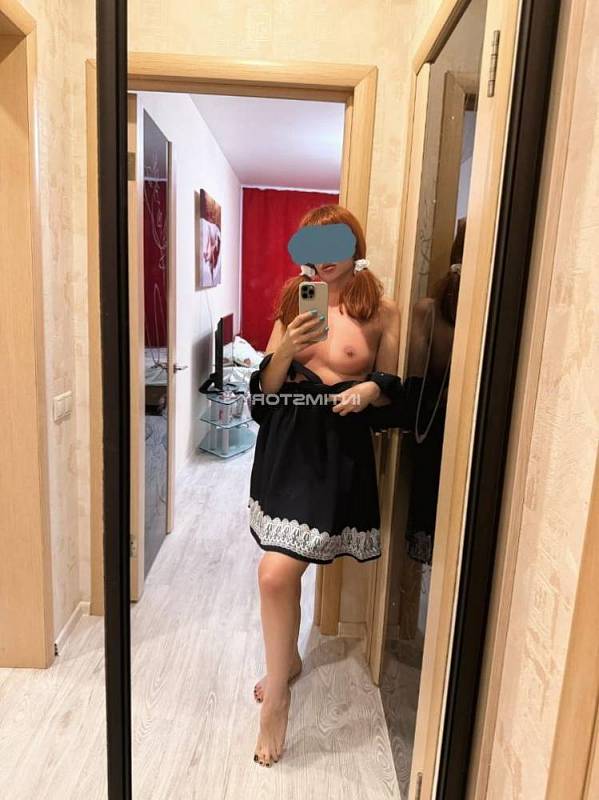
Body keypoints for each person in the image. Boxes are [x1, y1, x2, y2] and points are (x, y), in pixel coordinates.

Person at [246, 204, 405, 767]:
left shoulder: (381, 309)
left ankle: (284, 669)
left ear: (353, 244)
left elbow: (394, 388)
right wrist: (286, 349)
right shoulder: (296, 300)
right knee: (276, 572)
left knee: (284, 569)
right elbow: (265, 392)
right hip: (289, 446)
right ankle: (281, 685)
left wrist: (370, 391)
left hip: (339, 452)